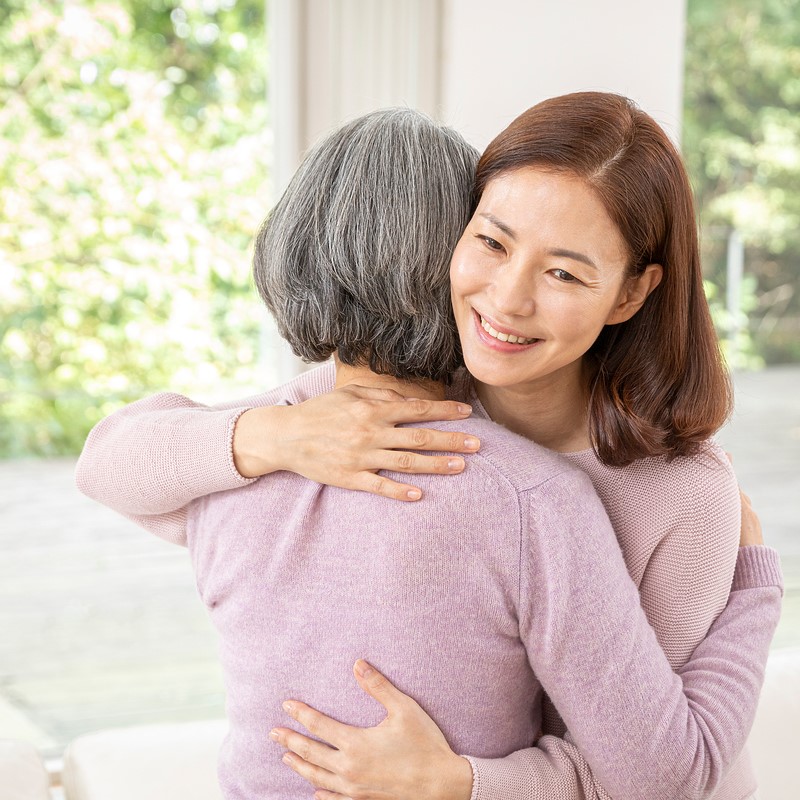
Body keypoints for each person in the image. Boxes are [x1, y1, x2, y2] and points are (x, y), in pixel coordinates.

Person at [75, 97, 782, 800]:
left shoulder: (676, 491)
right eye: (492, 242)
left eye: (563, 273)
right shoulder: (356, 420)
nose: (507, 300)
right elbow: (110, 461)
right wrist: (269, 436)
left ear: (630, 293)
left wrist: (460, 782)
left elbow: (660, 777)